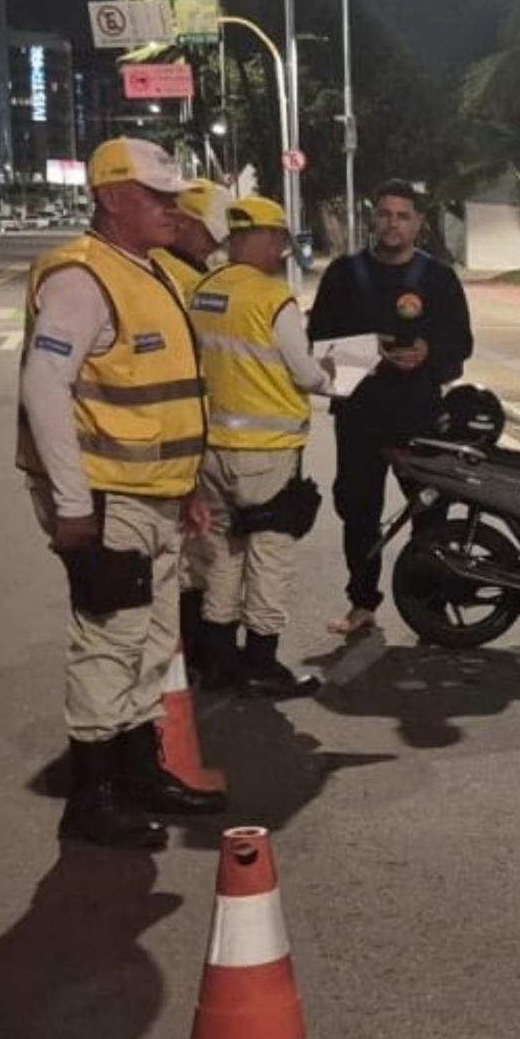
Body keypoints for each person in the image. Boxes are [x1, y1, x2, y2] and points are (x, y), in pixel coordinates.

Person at [17, 135, 225, 850]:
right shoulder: (82, 277)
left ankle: (139, 770)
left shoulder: (148, 269)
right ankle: (94, 792)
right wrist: (73, 502)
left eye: (173, 194)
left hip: (154, 493)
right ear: (110, 196)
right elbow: (45, 384)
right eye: (156, 195)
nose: (173, 207)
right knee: (109, 642)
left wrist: (188, 483)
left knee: (152, 638)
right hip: (107, 497)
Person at [306, 178, 473, 638]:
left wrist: (428, 354)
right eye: (385, 214)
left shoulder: (438, 278)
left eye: (403, 215)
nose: (392, 223)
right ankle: (362, 603)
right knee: (358, 512)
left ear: (419, 223)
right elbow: (315, 344)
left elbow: (462, 345)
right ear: (372, 218)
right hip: (360, 417)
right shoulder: (344, 275)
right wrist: (366, 350)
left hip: (420, 415)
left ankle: (429, 606)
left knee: (431, 513)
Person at [189, 193, 335, 696]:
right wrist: (329, 374)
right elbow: (305, 373)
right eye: (278, 241)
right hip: (266, 453)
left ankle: (218, 665)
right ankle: (261, 663)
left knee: (223, 556)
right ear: (267, 237)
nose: (280, 252)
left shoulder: (203, 291)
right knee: (269, 557)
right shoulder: (273, 299)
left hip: (211, 450)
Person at [165, 178, 228, 682]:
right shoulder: (172, 278)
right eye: (207, 233)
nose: (214, 244)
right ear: (180, 222)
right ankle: (196, 654)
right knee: (192, 552)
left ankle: (195, 651)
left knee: (196, 551)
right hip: (177, 439)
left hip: (194, 430)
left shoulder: (195, 270)